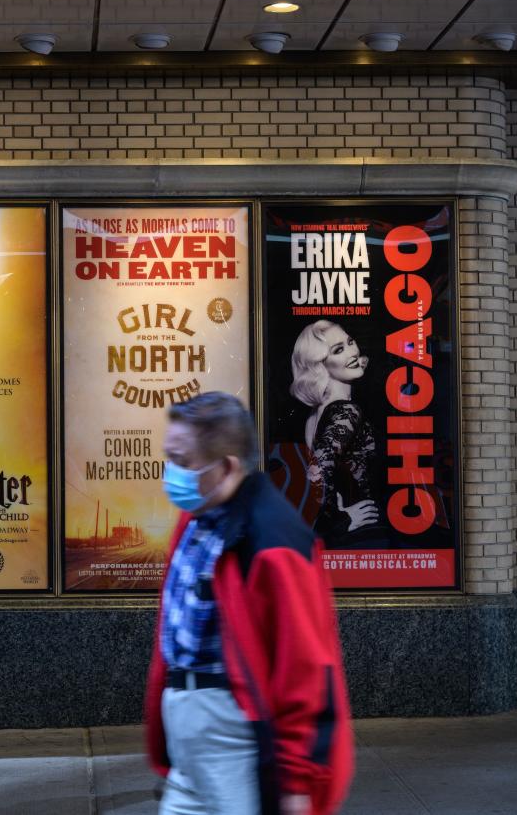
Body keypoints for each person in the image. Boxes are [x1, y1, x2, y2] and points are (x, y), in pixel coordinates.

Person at [145, 392, 353, 815]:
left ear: (225, 468)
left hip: (233, 734)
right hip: (189, 734)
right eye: (169, 457)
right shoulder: (197, 518)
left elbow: (306, 667)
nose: (171, 473)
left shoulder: (274, 541)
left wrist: (297, 780)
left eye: (182, 462)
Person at [289, 320, 379, 548]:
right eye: (338, 350)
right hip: (364, 535)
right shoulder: (346, 411)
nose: (352, 352)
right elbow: (317, 472)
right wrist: (341, 520)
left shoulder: (318, 413)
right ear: (320, 366)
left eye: (350, 342)